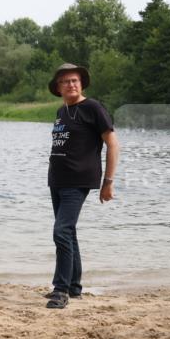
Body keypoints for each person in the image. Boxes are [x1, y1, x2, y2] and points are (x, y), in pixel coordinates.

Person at [45, 63, 119, 309]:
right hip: (57, 180)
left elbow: (113, 143)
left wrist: (108, 181)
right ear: (58, 87)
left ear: (82, 83)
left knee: (61, 232)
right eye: (65, 81)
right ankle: (74, 286)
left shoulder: (93, 108)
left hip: (78, 180)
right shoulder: (61, 111)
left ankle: (61, 289)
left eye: (75, 80)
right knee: (69, 232)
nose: (71, 84)